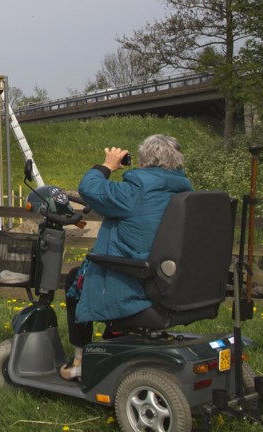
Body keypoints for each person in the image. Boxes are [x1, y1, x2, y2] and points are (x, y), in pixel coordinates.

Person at [59, 134, 193, 381]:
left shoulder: (135, 192)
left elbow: (89, 188)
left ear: (143, 161)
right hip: (170, 283)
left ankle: (79, 360)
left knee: (76, 279)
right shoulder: (184, 191)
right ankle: (116, 336)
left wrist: (107, 165)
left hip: (139, 286)